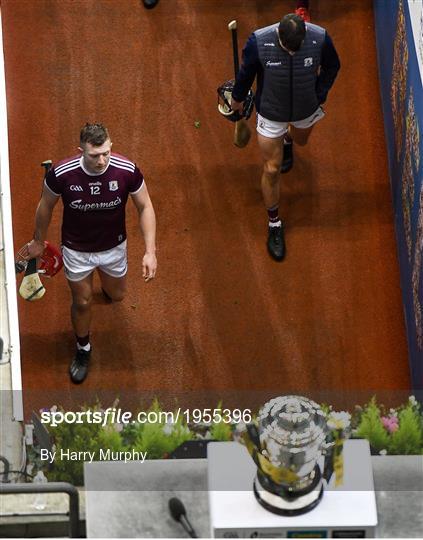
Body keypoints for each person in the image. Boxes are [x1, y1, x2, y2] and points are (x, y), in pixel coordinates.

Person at [25, 123, 157, 384]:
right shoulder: (61, 174)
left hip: (113, 248)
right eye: (94, 155)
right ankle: (83, 348)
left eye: (106, 152)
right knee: (82, 301)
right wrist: (38, 241)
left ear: (111, 146)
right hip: (77, 250)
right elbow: (45, 206)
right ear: (80, 151)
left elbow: (145, 206)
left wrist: (150, 251)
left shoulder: (126, 170)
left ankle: (105, 288)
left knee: (117, 295)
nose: (101, 160)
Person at [231, 14, 340, 261]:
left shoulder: (320, 38)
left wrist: (319, 95)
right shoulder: (259, 42)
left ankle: (289, 141)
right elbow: (246, 74)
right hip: (271, 113)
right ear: (279, 36)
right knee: (272, 169)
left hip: (305, 110)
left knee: (301, 140)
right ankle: (274, 224)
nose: (291, 53)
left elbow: (333, 66)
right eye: (287, 49)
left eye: (296, 49)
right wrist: (237, 101)